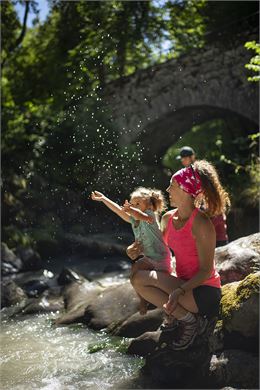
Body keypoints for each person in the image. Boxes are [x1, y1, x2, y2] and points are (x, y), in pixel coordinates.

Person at [130, 160, 230, 350]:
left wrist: (180, 290)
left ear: (186, 190)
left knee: (146, 279)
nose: (167, 190)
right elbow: (159, 252)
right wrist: (135, 251)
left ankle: (192, 322)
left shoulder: (202, 224)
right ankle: (185, 317)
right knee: (138, 278)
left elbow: (205, 270)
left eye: (173, 185)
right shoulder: (168, 218)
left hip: (204, 292)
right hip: (181, 285)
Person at [91, 187, 172, 314]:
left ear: (149, 205)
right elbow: (119, 210)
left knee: (164, 289)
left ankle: (170, 311)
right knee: (135, 270)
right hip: (149, 259)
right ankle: (143, 300)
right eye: (132, 204)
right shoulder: (134, 220)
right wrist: (103, 199)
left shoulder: (150, 217)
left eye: (138, 204)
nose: (134, 207)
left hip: (162, 259)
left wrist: (131, 209)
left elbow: (141, 215)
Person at [176, 146, 229, 246]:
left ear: (192, 157)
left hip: (214, 238)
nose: (182, 161)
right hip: (208, 236)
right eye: (182, 158)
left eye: (185, 158)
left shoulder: (201, 173)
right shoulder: (188, 175)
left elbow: (214, 213)